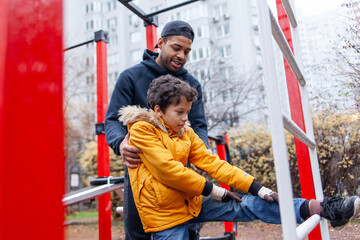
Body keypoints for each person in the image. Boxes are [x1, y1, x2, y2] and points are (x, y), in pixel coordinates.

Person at [119, 74, 360, 239]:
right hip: (164, 215)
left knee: (248, 202)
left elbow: (212, 163)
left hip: (190, 201)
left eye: (188, 112)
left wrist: (257, 187)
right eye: (179, 112)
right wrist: (215, 191)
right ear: (158, 110)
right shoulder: (142, 130)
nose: (185, 118)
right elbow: (168, 171)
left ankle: (324, 207)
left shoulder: (185, 132)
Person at [105, 20, 208, 240]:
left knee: (188, 231)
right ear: (160, 43)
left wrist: (201, 154)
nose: (181, 55)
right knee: (137, 233)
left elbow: (199, 125)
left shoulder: (191, 83)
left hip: (179, 171)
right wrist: (121, 142)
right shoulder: (130, 77)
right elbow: (113, 119)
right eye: (176, 48)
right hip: (141, 171)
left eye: (187, 51)